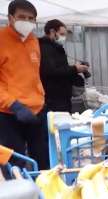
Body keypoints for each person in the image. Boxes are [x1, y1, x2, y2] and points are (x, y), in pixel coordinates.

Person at [0, 0, 49, 170]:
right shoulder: (1, 40)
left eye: (31, 18)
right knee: (15, 164)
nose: (26, 21)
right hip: (9, 113)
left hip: (36, 111)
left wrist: (41, 99)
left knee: (43, 159)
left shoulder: (33, 41)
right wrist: (13, 104)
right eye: (22, 17)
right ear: (10, 18)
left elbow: (33, 74)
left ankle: (45, 192)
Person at [39, 19, 89, 112]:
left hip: (62, 97)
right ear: (52, 32)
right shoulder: (45, 48)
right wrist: (75, 69)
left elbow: (60, 68)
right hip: (53, 99)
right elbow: (51, 70)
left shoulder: (56, 48)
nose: (64, 38)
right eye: (62, 34)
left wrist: (75, 68)